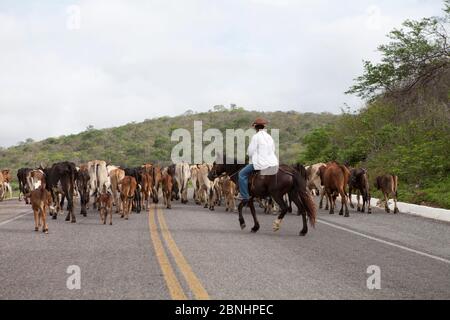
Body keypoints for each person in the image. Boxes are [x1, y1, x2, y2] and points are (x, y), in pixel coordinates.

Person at [237, 117, 279, 203]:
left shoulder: (255, 137)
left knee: (241, 174)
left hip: (259, 163)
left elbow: (250, 151)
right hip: (272, 162)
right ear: (264, 127)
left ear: (255, 127)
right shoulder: (269, 137)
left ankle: (244, 196)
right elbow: (273, 149)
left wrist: (248, 155)